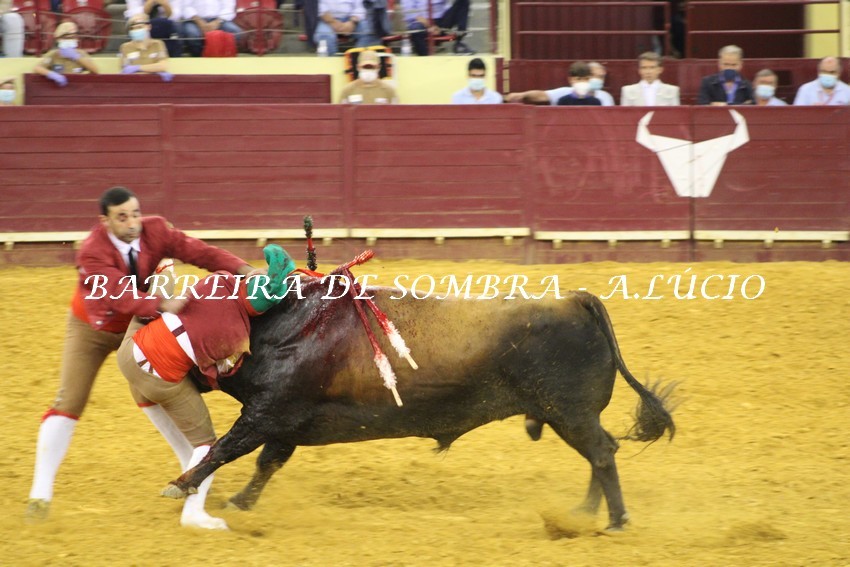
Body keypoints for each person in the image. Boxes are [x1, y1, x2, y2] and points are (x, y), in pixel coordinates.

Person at [26, 186, 260, 522]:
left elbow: (199, 252)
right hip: (92, 328)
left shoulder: (156, 229)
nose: (132, 222)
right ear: (105, 221)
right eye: (122, 217)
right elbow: (118, 295)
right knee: (70, 400)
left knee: (153, 390)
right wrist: (161, 304)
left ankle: (189, 471)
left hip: (137, 325)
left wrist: (243, 269)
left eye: (135, 214)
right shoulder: (92, 252)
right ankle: (40, 494)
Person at [116, 244, 295, 529]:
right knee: (206, 444)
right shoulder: (236, 333)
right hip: (157, 374)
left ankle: (164, 264)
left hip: (129, 352)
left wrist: (254, 273)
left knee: (158, 306)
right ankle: (193, 513)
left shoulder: (217, 281)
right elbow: (219, 374)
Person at [33, 22, 100, 88]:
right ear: (58, 39)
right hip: (58, 89)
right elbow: (37, 68)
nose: (70, 40)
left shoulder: (81, 53)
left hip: (77, 89)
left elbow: (95, 70)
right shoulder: (54, 54)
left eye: (73, 37)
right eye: (66, 38)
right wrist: (51, 74)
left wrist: (77, 57)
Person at [403, 0, 473, 56]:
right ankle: (426, 57)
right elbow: (409, 12)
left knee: (463, 2)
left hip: (441, 22)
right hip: (421, 22)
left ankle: (459, 43)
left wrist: (438, 26)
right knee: (415, 29)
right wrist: (430, 25)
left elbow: (446, 6)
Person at [119, 14, 173, 81]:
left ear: (149, 27)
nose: (136, 30)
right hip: (134, 83)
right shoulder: (125, 47)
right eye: (133, 28)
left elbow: (162, 66)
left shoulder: (158, 44)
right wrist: (154, 70)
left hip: (155, 83)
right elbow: (126, 70)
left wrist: (137, 68)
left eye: (139, 27)